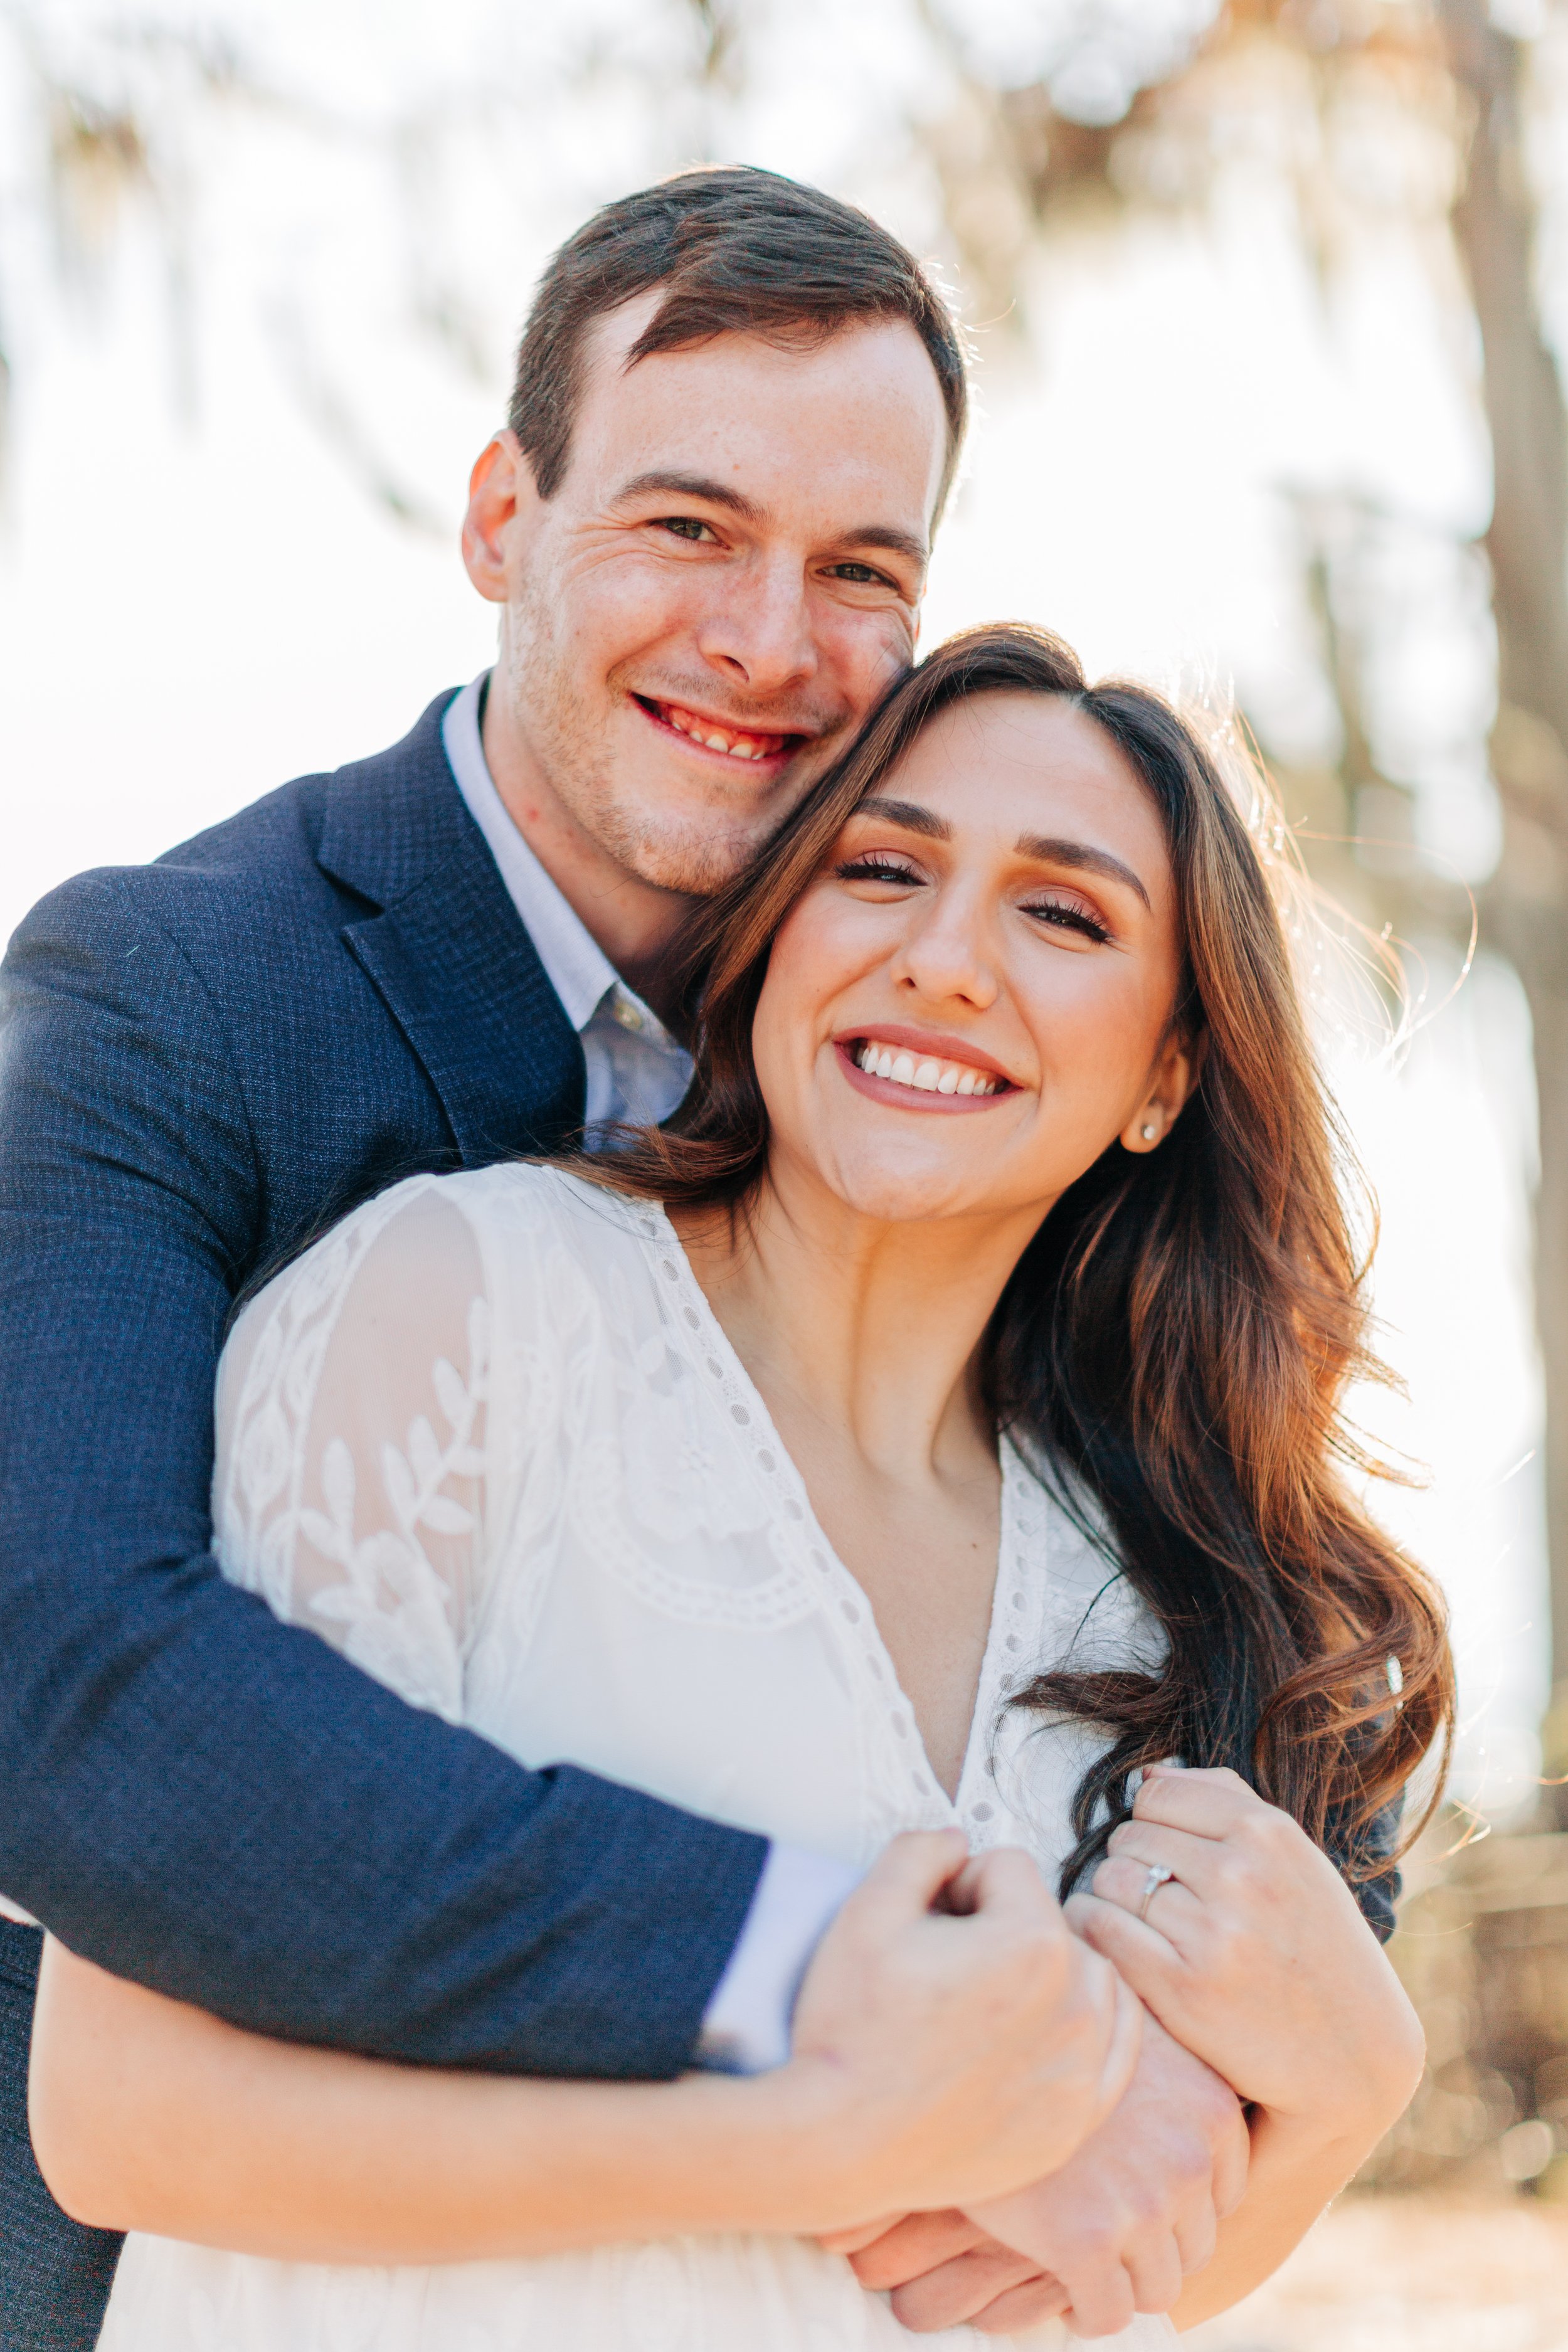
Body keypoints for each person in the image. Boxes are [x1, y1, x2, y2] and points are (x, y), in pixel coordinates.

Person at [0, 167, 1251, 2349]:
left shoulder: (950, 1116)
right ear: (501, 519)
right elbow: (66, 1681)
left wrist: (1319, 2047)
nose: (769, 643)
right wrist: (805, 1970)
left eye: (858, 569)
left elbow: (1203, 1596)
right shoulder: (170, 997)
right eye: (686, 526)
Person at [29, 626, 1453, 2348]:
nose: (941, 960)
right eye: (880, 869)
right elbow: (121, 2120)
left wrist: (1340, 2102)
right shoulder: (458, 1315)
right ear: (772, 931)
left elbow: (1084, 2271)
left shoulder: (1147, 1590)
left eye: (1061, 914)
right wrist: (814, 2136)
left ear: (1166, 1075)